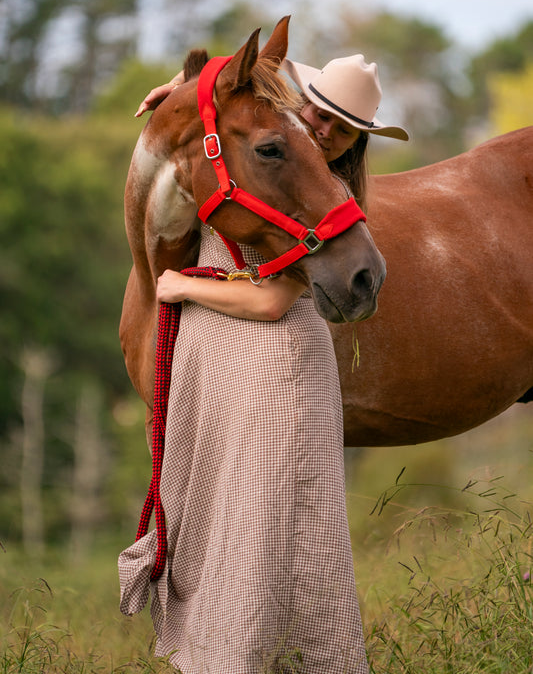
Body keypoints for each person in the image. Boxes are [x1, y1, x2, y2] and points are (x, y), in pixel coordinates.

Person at [119, 54, 408, 674]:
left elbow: (275, 299)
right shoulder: (269, 146)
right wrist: (178, 90)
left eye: (346, 128)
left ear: (358, 140)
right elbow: (224, 106)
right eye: (322, 113)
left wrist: (180, 287)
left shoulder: (325, 196)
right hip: (226, 369)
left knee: (266, 532)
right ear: (303, 102)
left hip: (274, 366)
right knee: (231, 521)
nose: (328, 130)